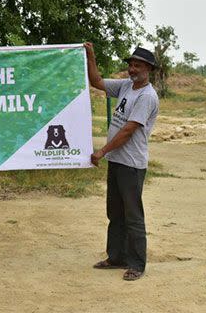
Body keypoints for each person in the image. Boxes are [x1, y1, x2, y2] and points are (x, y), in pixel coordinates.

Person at [84, 42, 159, 281]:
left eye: (137, 65)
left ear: (148, 68)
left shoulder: (147, 96)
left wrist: (102, 151)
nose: (132, 69)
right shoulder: (127, 86)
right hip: (117, 161)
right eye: (130, 65)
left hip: (131, 164)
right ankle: (116, 257)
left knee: (133, 215)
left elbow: (128, 131)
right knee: (115, 212)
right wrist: (90, 55)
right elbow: (96, 82)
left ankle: (136, 263)